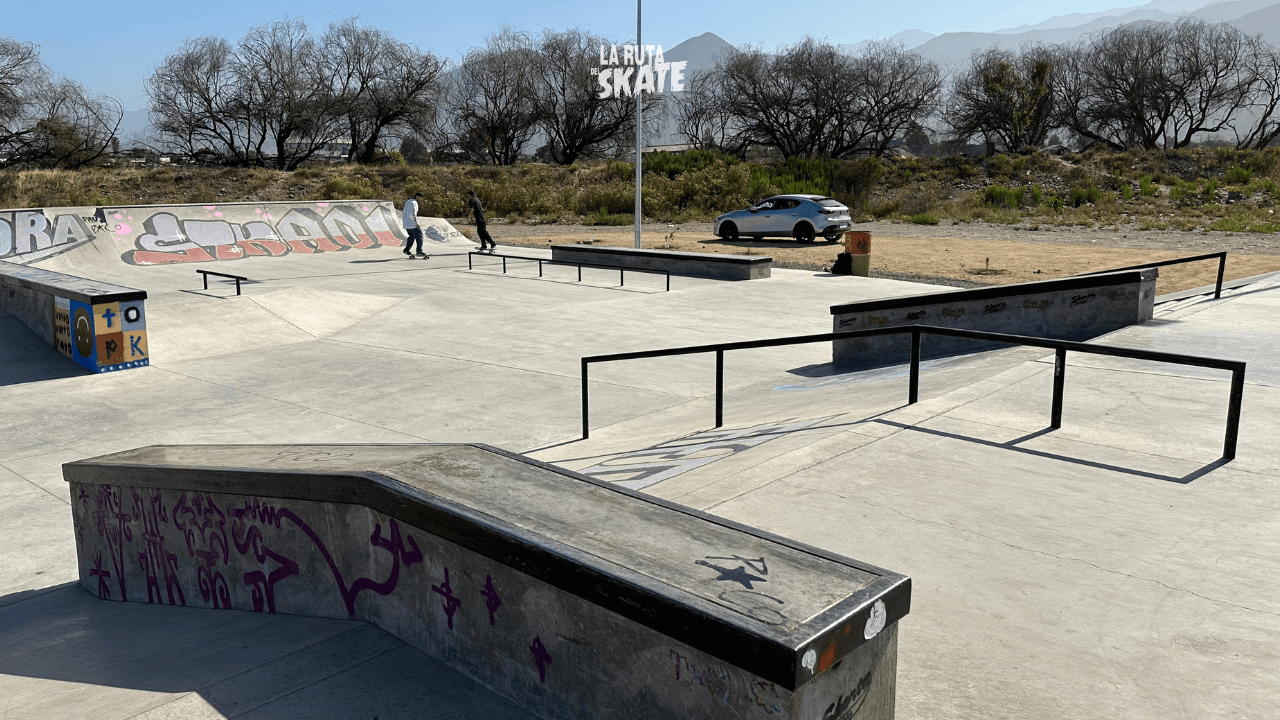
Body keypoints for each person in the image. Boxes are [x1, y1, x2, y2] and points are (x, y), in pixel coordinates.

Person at [402, 192, 428, 258]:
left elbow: (404, 212)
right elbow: (413, 214)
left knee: (411, 236)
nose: (421, 199)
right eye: (421, 198)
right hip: (412, 223)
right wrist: (416, 223)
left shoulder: (408, 202)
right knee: (419, 237)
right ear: (417, 197)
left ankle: (406, 250)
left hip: (406, 223)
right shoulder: (414, 203)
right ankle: (419, 251)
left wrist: (405, 222)